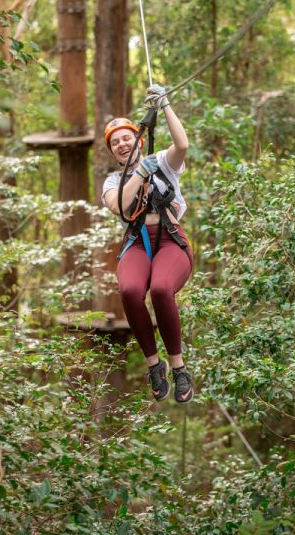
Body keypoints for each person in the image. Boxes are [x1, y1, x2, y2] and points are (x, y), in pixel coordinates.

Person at [101, 84, 195, 404]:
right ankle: (155, 365)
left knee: (159, 289)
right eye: (115, 143)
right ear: (113, 152)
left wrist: (164, 105)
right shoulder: (114, 181)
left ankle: (179, 367)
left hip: (170, 241)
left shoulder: (163, 162)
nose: (122, 144)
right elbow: (123, 208)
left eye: (126, 137)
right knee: (129, 291)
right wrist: (140, 172)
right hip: (138, 243)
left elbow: (182, 144)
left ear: (138, 138)